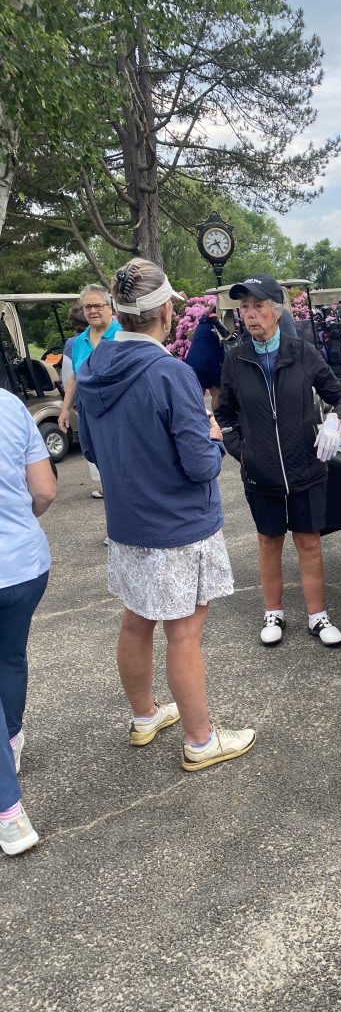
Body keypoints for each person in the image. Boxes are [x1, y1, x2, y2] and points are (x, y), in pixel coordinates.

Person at [76, 259, 255, 772]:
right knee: (184, 632)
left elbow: (89, 448)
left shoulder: (92, 368)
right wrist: (214, 439)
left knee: (136, 621)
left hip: (128, 523)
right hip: (177, 525)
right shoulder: (169, 372)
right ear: (164, 311)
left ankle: (145, 715)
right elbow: (199, 464)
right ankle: (201, 741)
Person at [215, 274, 341, 648]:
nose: (250, 314)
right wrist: (242, 451)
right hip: (261, 474)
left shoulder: (302, 351)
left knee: (309, 541)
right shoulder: (236, 359)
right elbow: (224, 414)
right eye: (244, 307)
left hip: (305, 469)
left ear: (276, 310)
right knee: (268, 541)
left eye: (258, 306)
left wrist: (333, 421)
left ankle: (317, 616)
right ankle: (273, 612)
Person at [0, 391, 57, 856]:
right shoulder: (10, 404)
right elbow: (45, 490)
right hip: (24, 565)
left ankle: (9, 815)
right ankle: (12, 739)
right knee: (10, 655)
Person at [58, 285, 121, 500]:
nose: (92, 311)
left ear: (109, 307)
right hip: (90, 409)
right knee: (99, 457)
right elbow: (74, 377)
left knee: (124, 460)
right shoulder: (78, 342)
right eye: (87, 307)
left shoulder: (123, 334)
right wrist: (65, 409)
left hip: (120, 407)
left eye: (97, 305)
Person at [184, 308, 232, 411]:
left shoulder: (204, 321)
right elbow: (229, 338)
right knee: (216, 393)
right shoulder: (215, 321)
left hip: (193, 361)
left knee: (197, 395)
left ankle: (196, 421)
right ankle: (219, 421)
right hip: (207, 363)